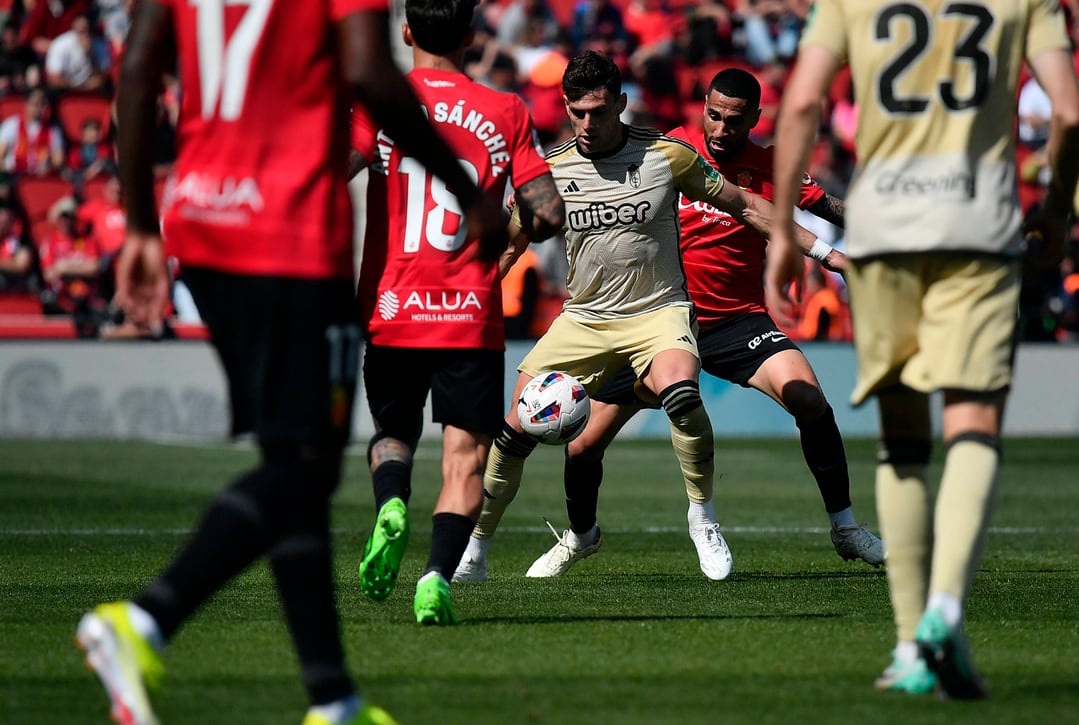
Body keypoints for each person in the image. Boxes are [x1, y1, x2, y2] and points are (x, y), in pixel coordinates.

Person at [74, 0, 509, 723]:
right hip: (288, 236)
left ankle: (332, 698)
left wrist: (142, 222)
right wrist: (469, 194)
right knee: (302, 466)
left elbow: (141, 64)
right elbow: (371, 71)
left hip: (203, 221)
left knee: (294, 458)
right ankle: (143, 619)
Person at [772, 0, 1079, 700]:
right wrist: (1057, 212)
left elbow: (799, 104)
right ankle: (947, 608)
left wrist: (780, 241)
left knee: (903, 445)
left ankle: (913, 644)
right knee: (974, 426)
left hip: (883, 236)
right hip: (979, 228)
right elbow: (1069, 113)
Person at [452, 51, 820, 583]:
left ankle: (702, 516)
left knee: (683, 397)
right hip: (584, 319)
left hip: (659, 311)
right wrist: (470, 299)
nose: (586, 123)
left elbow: (745, 206)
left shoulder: (667, 155)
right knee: (514, 433)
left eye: (598, 111)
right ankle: (477, 547)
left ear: (621, 105)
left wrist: (827, 254)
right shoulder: (550, 171)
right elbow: (509, 249)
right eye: (576, 111)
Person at [515, 67, 884, 581]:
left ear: (756, 118)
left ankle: (844, 527)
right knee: (581, 444)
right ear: (702, 108)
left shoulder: (776, 166)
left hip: (733, 319)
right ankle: (580, 537)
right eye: (713, 115)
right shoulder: (668, 151)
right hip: (653, 320)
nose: (721, 129)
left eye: (734, 120)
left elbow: (829, 207)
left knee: (808, 397)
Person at [347, 0, 564, 627]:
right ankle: (437, 575)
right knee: (464, 456)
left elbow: (339, 167)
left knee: (392, 436)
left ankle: (391, 504)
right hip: (470, 314)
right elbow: (546, 213)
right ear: (471, 36)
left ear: (407, 31)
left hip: (391, 307)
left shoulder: (380, 102)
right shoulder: (507, 110)